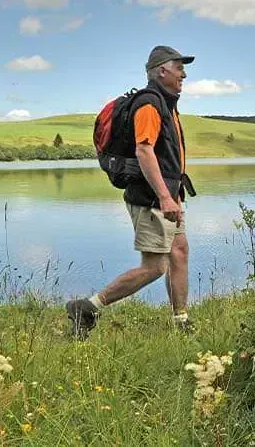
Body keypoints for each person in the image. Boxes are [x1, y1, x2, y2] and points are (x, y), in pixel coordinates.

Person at [67, 45, 196, 338]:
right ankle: (87, 307)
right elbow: (144, 150)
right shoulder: (150, 104)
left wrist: (172, 196)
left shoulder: (166, 103)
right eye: (179, 68)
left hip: (168, 196)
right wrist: (164, 197)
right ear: (162, 70)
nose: (183, 74)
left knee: (179, 251)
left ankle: (181, 321)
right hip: (152, 198)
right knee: (154, 267)